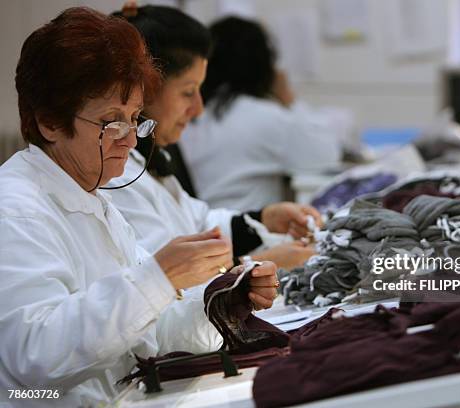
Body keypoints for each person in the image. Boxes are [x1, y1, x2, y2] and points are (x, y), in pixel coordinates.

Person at [0, 8, 277, 406]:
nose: (130, 140)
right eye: (112, 122)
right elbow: (36, 354)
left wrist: (224, 302)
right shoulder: (16, 211)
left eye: (134, 119)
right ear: (49, 122)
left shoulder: (96, 199)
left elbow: (149, 334)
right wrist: (159, 279)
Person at [106, 5, 317, 270]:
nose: (198, 109)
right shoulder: (117, 173)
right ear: (144, 90)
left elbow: (197, 222)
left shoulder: (149, 156)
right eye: (187, 92)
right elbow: (163, 278)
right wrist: (257, 264)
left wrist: (263, 219)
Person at [179, 16, 342, 211]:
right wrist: (289, 100)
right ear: (263, 65)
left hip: (198, 227)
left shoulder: (189, 114)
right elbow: (325, 155)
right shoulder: (263, 116)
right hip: (245, 231)